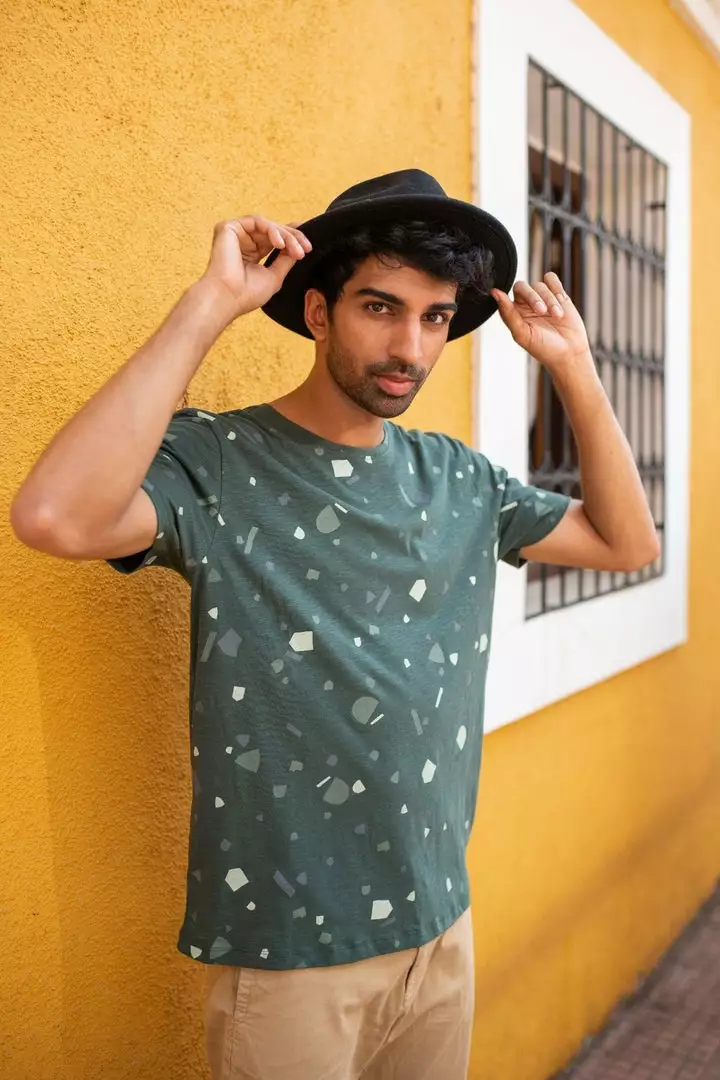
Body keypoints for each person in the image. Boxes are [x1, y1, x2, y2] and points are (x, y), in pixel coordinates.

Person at [11, 170, 659, 1080]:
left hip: (440, 928)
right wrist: (210, 305)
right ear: (317, 312)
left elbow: (626, 542)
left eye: (435, 318)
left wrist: (574, 369)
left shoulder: (460, 479)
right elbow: (56, 518)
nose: (409, 347)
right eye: (380, 308)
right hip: (292, 955)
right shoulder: (223, 462)